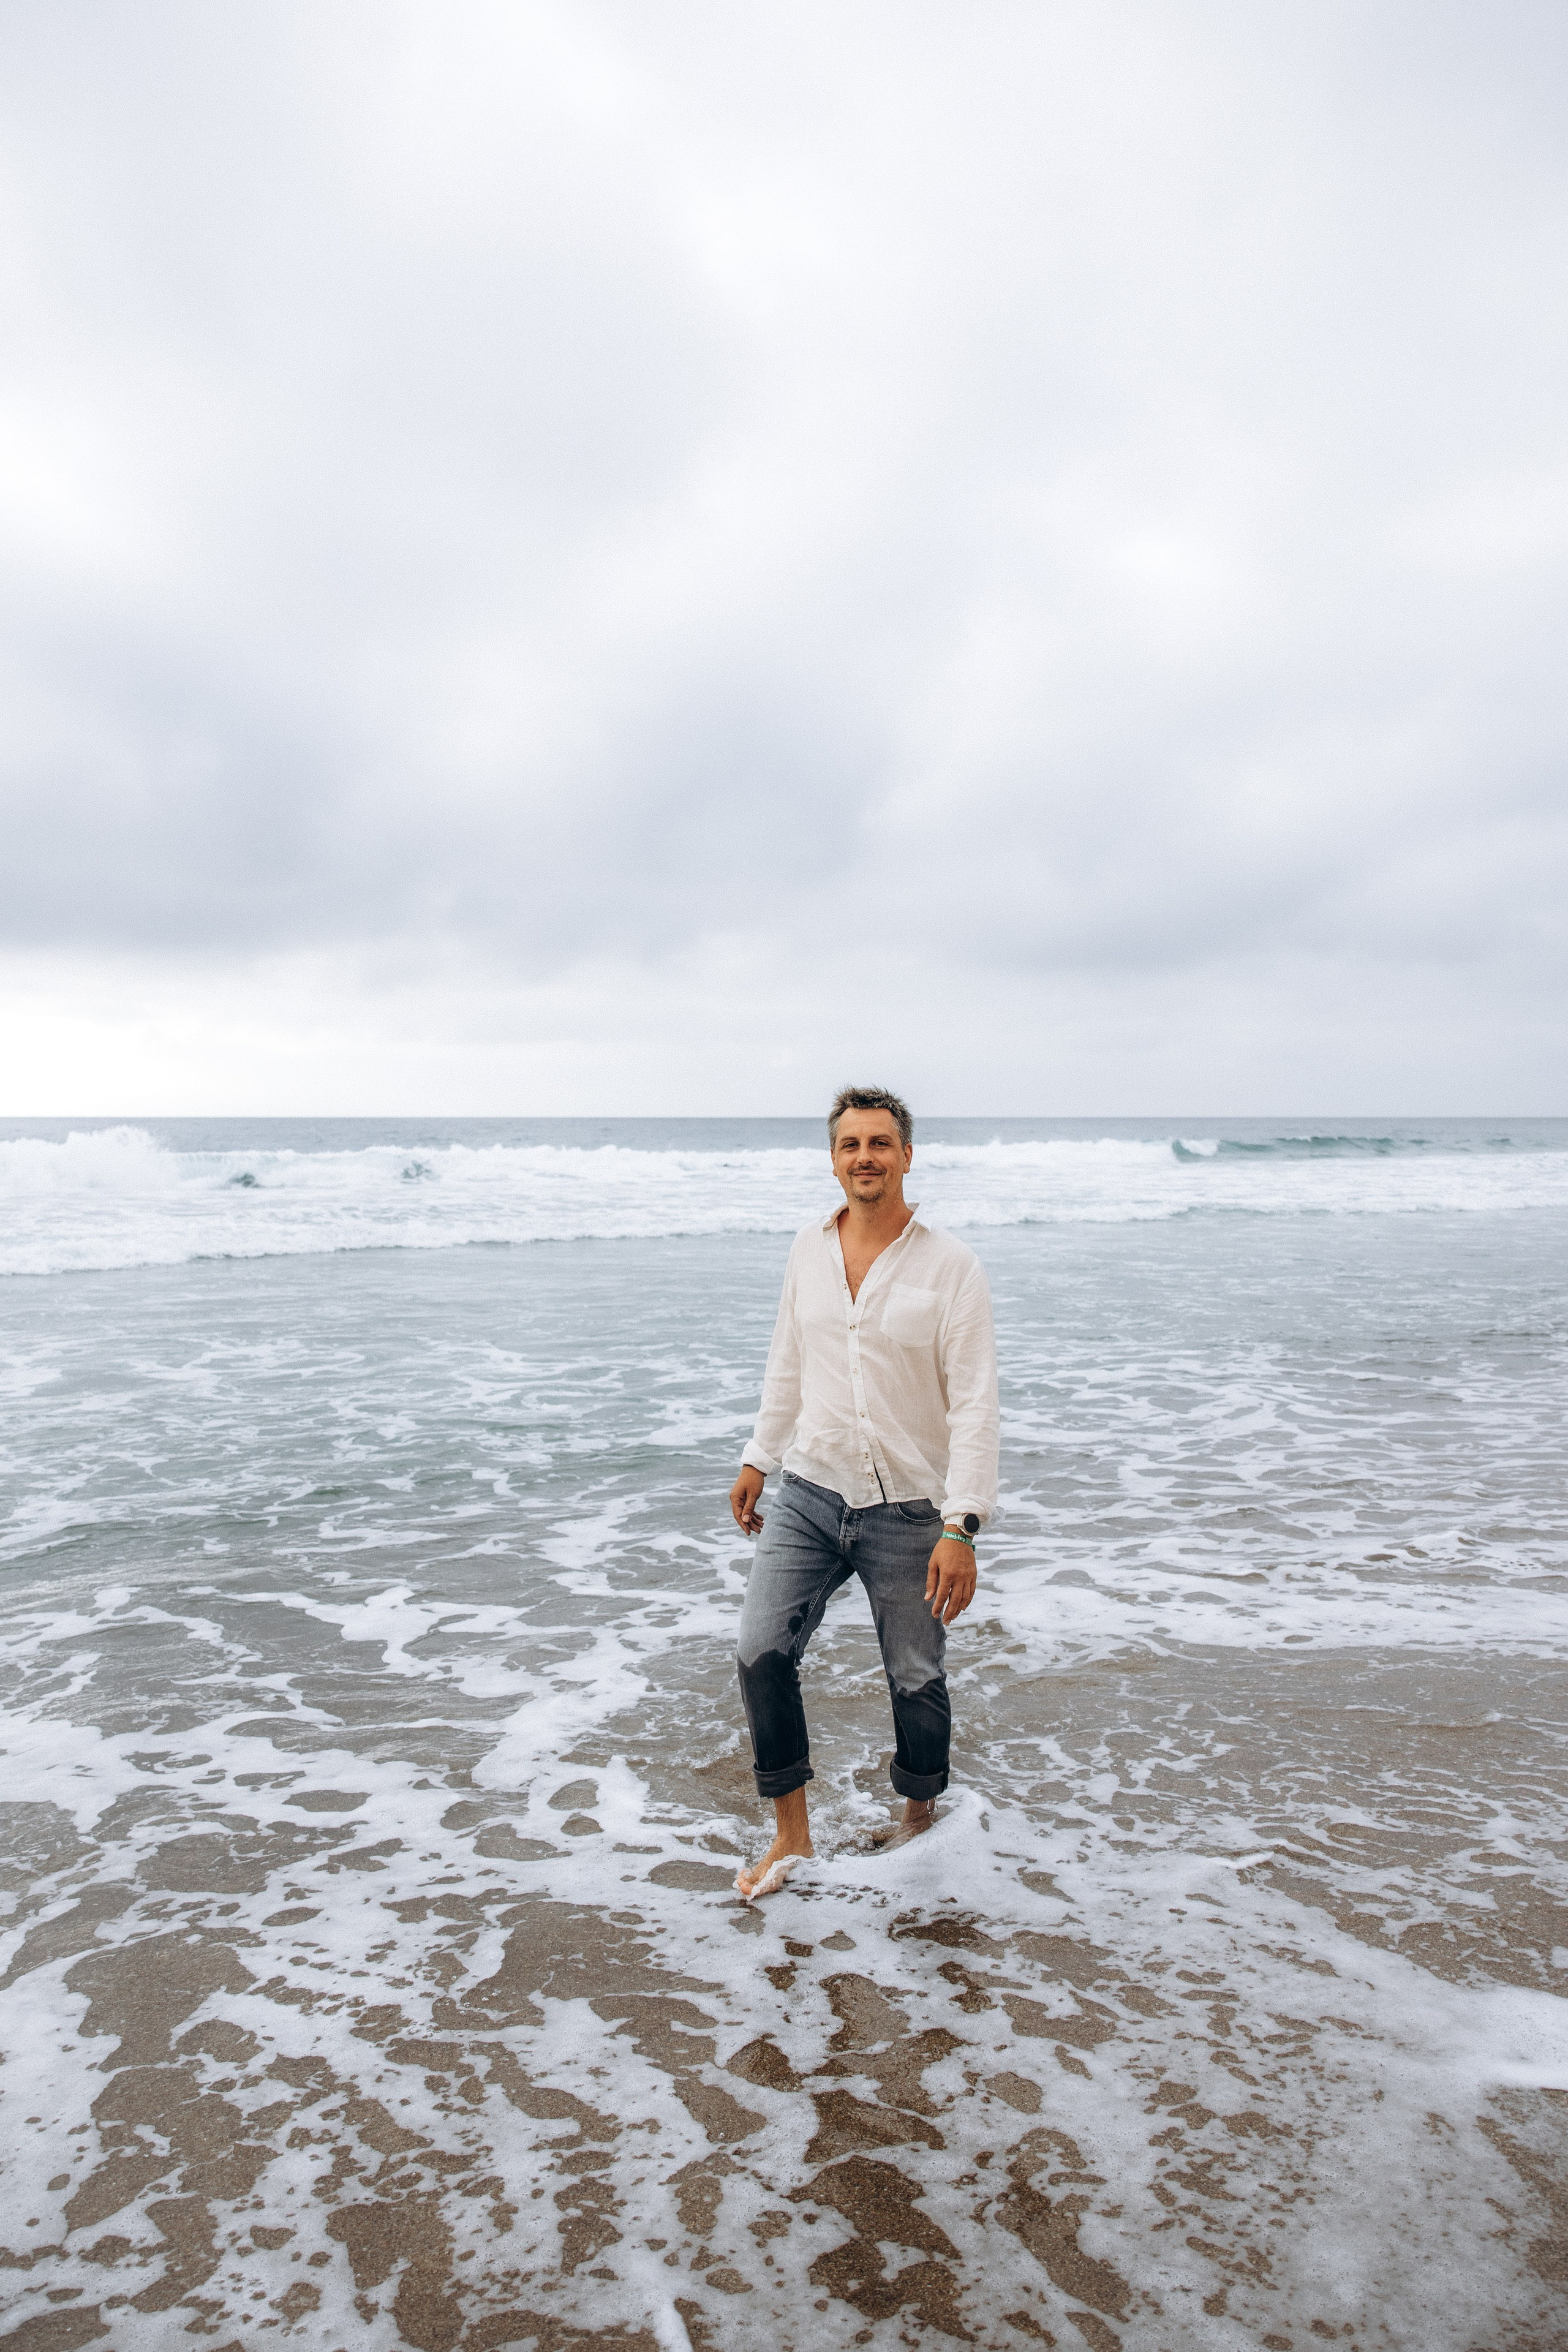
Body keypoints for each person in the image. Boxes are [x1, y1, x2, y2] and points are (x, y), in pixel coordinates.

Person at [728, 1085, 1000, 1898]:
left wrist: (963, 1525)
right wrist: (756, 1457)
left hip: (911, 1508)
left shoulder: (952, 1267)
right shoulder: (807, 1250)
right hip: (811, 1490)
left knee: (915, 1675)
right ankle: (791, 1838)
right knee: (759, 1651)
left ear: (907, 1155)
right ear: (834, 1158)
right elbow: (789, 1362)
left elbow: (977, 1402)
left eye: (880, 1143)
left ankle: (919, 1814)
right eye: (851, 1145)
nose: (866, 1157)